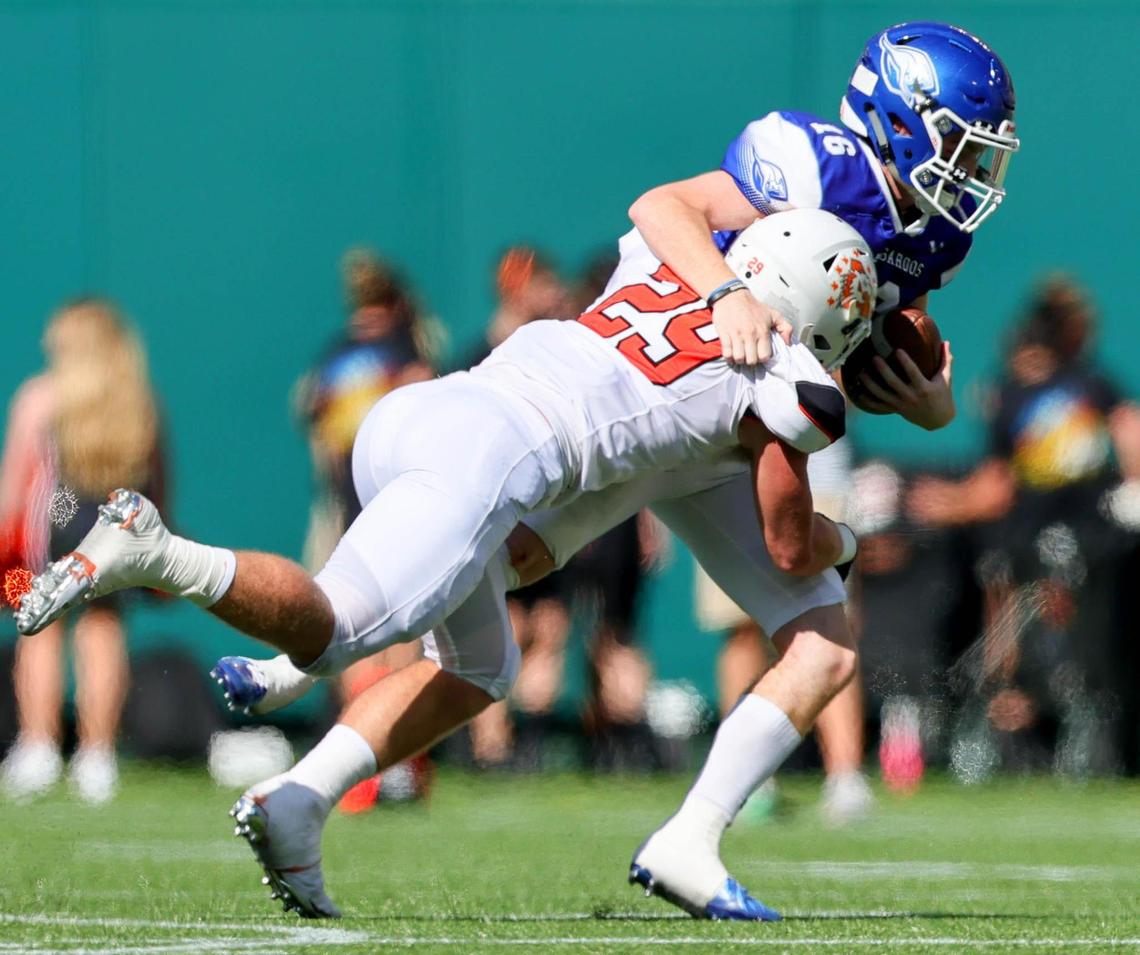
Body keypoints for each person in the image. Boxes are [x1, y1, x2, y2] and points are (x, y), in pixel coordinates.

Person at [205, 18, 1020, 920]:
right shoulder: (814, 162)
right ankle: (299, 724)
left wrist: (931, 404)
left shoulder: (934, 239)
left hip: (726, 438)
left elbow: (851, 355)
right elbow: (664, 207)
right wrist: (728, 291)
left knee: (821, 641)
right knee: (479, 595)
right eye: (963, 148)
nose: (975, 176)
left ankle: (689, 838)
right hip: (652, 401)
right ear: (902, 118)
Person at [17, 208, 872, 921]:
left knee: (482, 663)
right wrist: (852, 536)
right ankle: (158, 551)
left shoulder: (664, 262)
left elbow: (666, 208)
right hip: (492, 461)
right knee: (334, 624)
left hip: (428, 410)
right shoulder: (783, 371)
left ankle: (299, 802)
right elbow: (791, 545)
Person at [285, 247, 435, 809]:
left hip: (342, 508)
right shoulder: (406, 351)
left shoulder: (332, 358)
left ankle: (356, 765)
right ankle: (397, 761)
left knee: (350, 632)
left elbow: (313, 426)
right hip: (399, 502)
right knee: (403, 632)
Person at [0, 299, 163, 804]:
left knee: (39, 630)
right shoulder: (137, 402)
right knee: (103, 631)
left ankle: (39, 749)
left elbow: (15, 485)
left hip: (48, 531)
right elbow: (160, 479)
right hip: (110, 533)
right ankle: (97, 757)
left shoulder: (39, 398)